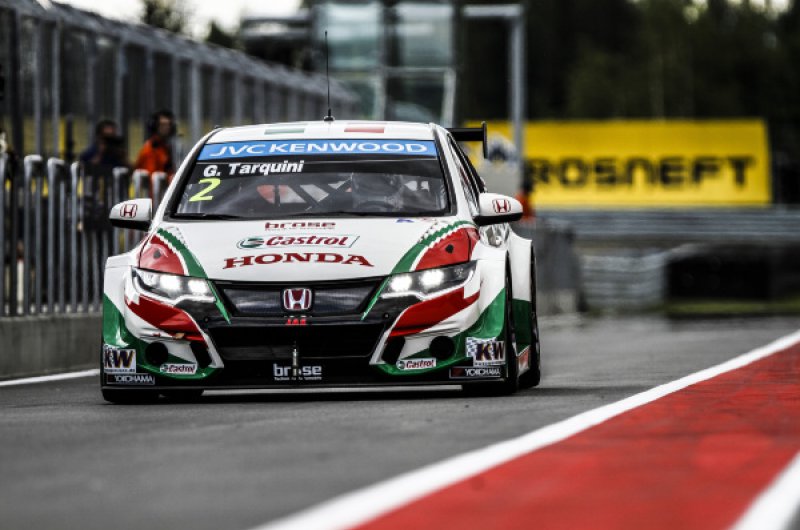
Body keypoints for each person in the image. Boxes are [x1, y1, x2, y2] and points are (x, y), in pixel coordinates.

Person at [135, 109, 177, 181]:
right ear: (155, 126)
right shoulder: (150, 149)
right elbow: (152, 179)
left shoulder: (165, 147)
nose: (167, 127)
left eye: (169, 124)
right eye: (163, 125)